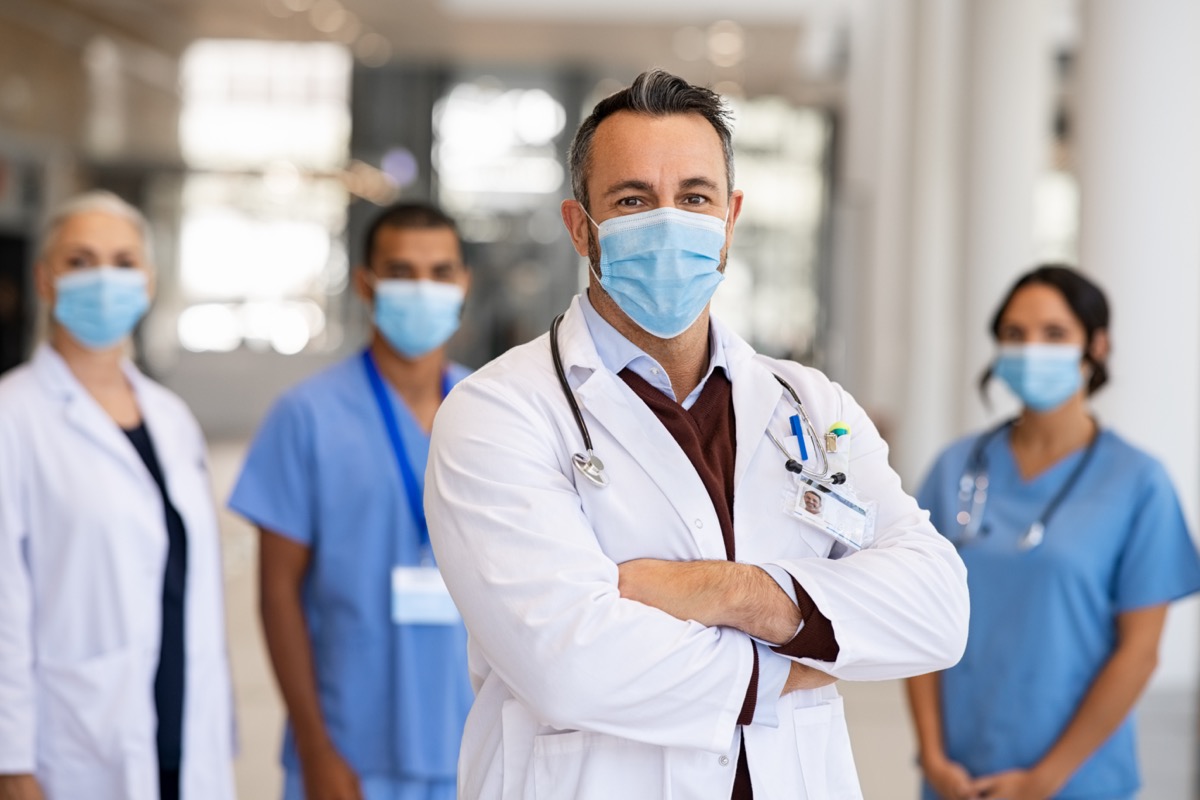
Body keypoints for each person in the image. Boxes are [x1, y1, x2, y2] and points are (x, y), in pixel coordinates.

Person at [424, 69, 969, 800]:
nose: (668, 220)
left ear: (730, 218)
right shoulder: (499, 412)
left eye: (694, 197)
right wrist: (814, 649)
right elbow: (570, 666)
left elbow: (938, 610)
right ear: (580, 226)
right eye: (633, 200)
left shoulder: (809, 403)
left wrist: (732, 594)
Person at [907, 265, 1200, 800]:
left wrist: (1044, 780)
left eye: (1055, 334)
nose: (1032, 350)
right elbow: (919, 619)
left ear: (1098, 345)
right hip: (957, 777)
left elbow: (1140, 653)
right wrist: (932, 757)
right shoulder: (956, 468)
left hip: (1077, 780)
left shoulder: (1138, 483)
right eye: (1015, 335)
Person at [229, 201, 474, 800]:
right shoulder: (307, 416)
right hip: (350, 750)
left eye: (440, 273)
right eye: (401, 272)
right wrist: (316, 748)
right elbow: (278, 592)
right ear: (365, 284)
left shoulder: (490, 411)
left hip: (475, 743)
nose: (423, 289)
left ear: (463, 283)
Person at [0, 191, 236, 800]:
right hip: (70, 740)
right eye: (81, 261)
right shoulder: (13, 416)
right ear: (45, 279)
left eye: (123, 261)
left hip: (181, 728)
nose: (105, 278)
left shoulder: (171, 417)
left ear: (149, 281)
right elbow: (4, 601)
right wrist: (11, 759)